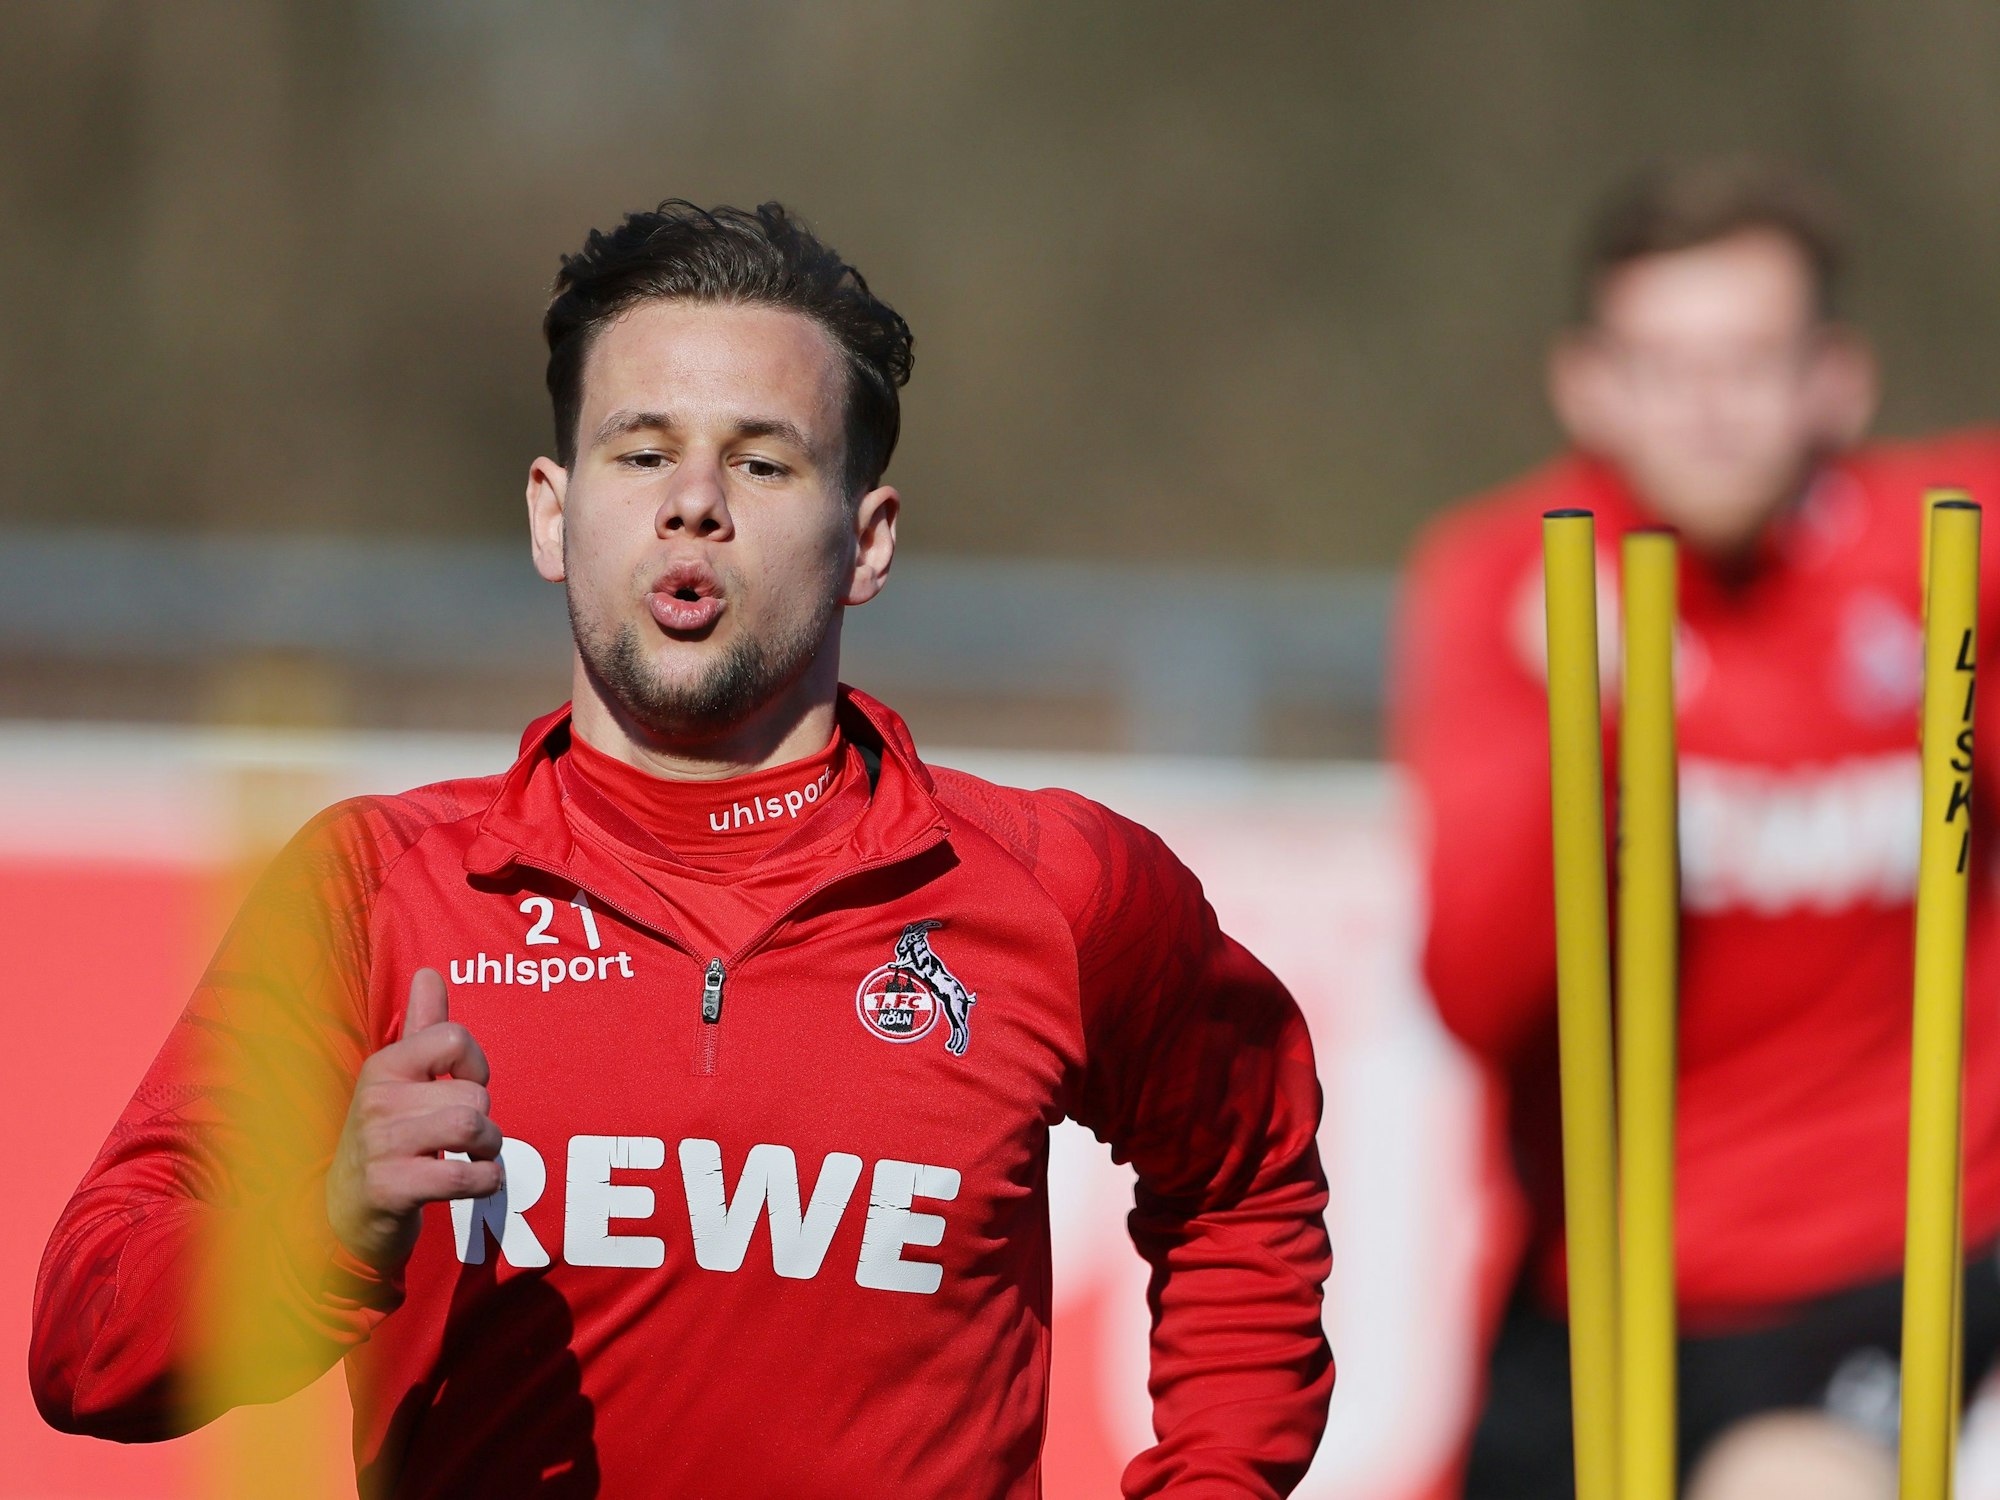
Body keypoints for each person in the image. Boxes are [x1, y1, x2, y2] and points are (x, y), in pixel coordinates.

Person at [30, 201, 1333, 1498]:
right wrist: (316, 1233)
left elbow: (1246, 1182)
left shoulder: (1058, 890)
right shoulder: (378, 891)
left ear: (866, 541)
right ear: (552, 512)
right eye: (642, 454)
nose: (694, 505)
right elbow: (82, 1345)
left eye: (762, 464)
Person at [1391, 157, 2000, 1499]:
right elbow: (1473, 995)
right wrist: (1598, 739)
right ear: (1587, 383)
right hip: (1610, 1272)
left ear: (1835, 376)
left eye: (1751, 360)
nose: (1711, 410)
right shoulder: (1510, 581)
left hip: (1903, 1255)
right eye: (1665, 365)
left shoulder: (1947, 551)